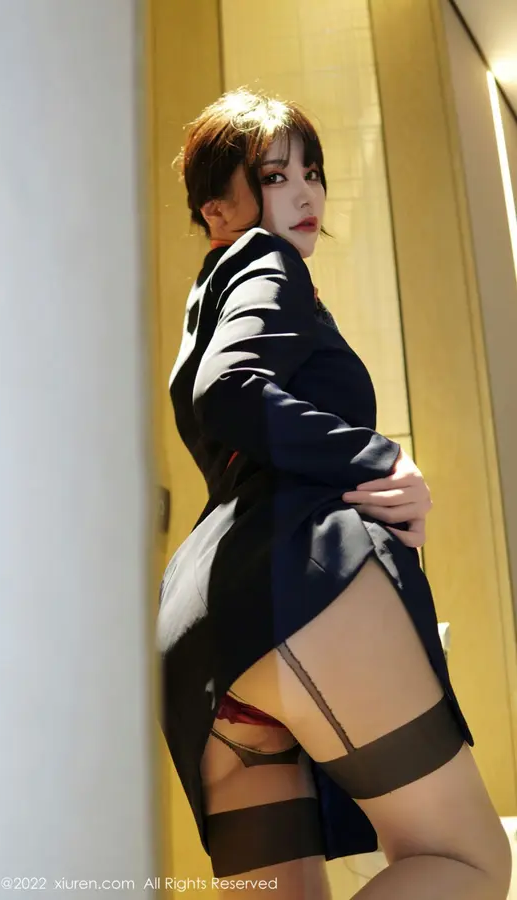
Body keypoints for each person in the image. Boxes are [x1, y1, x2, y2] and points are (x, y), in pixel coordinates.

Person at [156, 88, 511, 899]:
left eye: (312, 172)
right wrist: (380, 457)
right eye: (275, 175)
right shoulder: (265, 260)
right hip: (297, 581)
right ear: (218, 210)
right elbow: (232, 392)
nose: (306, 192)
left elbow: (219, 400)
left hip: (204, 629)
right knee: (469, 862)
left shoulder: (206, 301)